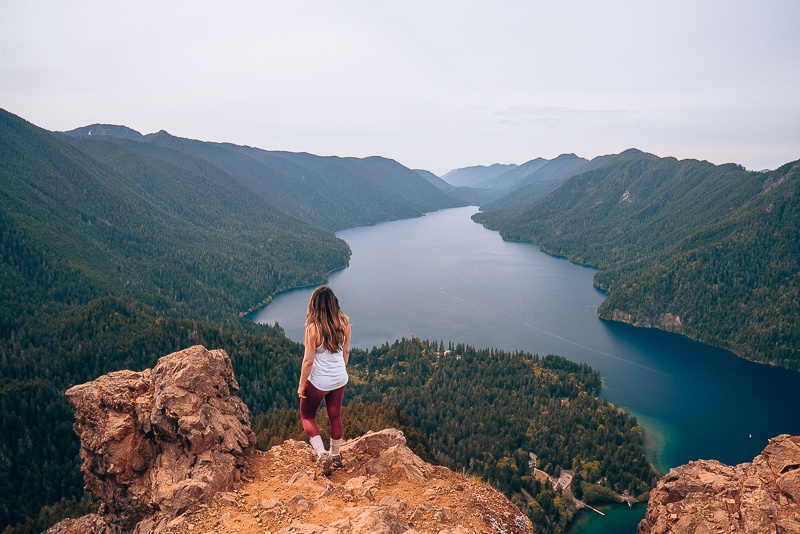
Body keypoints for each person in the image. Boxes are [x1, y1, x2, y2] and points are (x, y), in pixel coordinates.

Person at [297, 286, 351, 475]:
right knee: (335, 415)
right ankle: (335, 455)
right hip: (340, 378)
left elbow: (308, 361)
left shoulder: (313, 329)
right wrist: (339, 371)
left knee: (307, 416)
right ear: (334, 304)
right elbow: (346, 352)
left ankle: (322, 455)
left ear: (314, 305)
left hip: (320, 382)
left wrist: (302, 384)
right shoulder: (344, 323)